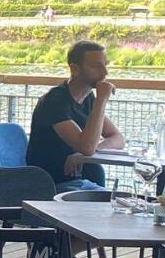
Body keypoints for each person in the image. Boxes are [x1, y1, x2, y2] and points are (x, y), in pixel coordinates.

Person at [26, 39, 125, 190]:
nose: (105, 73)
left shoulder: (89, 99)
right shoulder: (54, 101)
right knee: (114, 204)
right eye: (96, 66)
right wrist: (102, 100)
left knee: (125, 204)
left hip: (83, 182)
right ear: (75, 69)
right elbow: (86, 147)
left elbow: (117, 138)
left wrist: (91, 150)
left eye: (105, 65)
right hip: (53, 185)